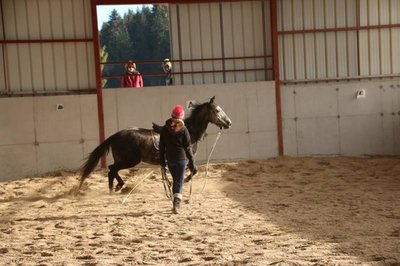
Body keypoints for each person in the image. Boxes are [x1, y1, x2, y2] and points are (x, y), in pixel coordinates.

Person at [159, 104, 197, 214]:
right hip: (181, 160)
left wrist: (162, 162)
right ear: (181, 117)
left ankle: (175, 202)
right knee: (179, 181)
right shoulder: (184, 130)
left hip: (170, 160)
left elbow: (161, 147)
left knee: (176, 181)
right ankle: (176, 204)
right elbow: (188, 148)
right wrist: (192, 162)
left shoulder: (164, 129)